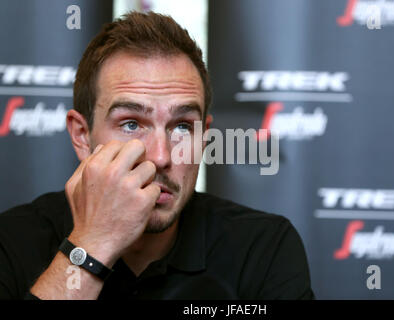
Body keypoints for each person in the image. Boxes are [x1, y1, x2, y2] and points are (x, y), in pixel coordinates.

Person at [0, 11, 314, 300]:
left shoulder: (262, 248)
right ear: (82, 135)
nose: (161, 157)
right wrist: (90, 244)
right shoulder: (13, 240)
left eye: (181, 127)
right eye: (132, 124)